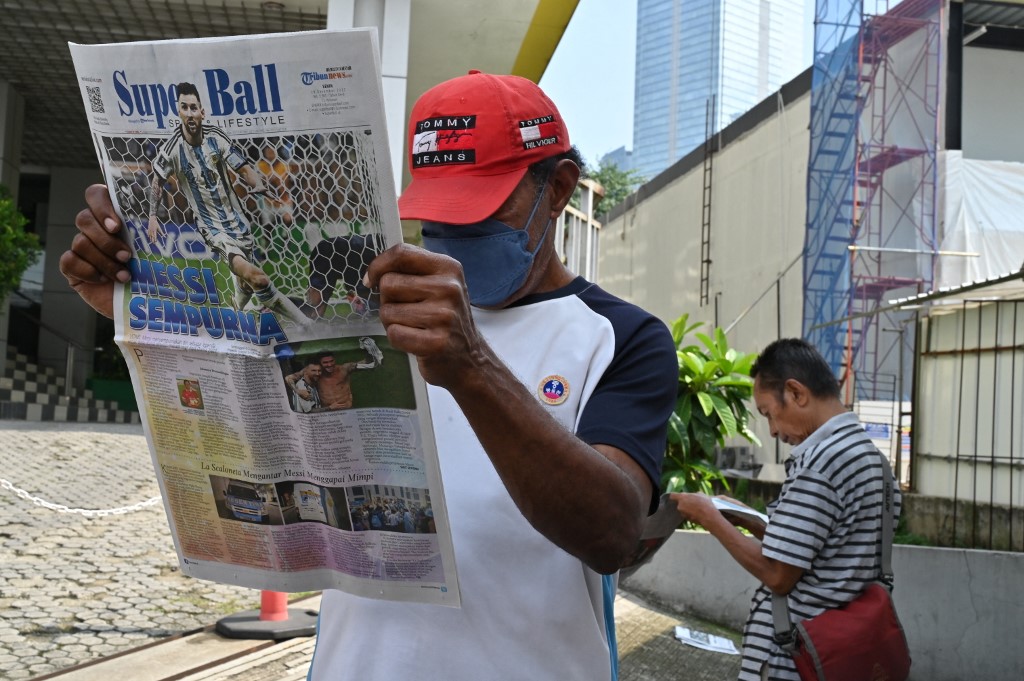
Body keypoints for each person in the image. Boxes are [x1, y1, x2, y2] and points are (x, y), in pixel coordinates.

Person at [59, 70, 678, 680]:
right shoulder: (370, 307)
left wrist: (472, 367)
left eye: (482, 210)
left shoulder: (620, 337)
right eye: (440, 212)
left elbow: (613, 534)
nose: (455, 234)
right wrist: (137, 314)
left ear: (560, 188)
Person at [670, 338, 902, 681]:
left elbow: (779, 574)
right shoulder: (874, 461)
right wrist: (746, 518)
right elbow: (821, 549)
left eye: (768, 414)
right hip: (839, 655)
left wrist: (708, 517)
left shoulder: (821, 463)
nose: (774, 430)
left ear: (796, 393)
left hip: (796, 662)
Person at [147, 82, 308, 327]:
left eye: (193, 107)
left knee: (246, 282)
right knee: (259, 279)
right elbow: (157, 180)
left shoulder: (216, 137)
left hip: (238, 222)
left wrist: (256, 183)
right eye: (184, 108)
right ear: (178, 112)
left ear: (202, 111)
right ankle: (308, 326)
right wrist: (152, 216)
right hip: (213, 230)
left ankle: (236, 306)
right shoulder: (171, 149)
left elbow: (243, 167)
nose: (189, 113)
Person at [316, 340, 381, 411]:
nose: (329, 364)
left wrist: (371, 347)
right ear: (319, 363)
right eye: (325, 362)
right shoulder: (316, 375)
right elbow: (303, 375)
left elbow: (369, 363)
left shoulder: (344, 369)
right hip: (329, 413)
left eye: (331, 361)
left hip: (347, 410)